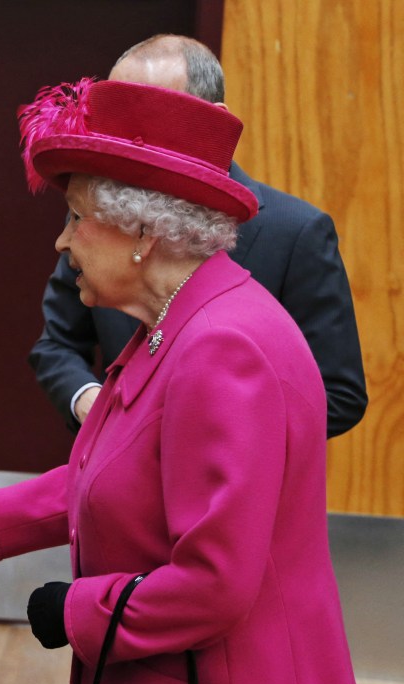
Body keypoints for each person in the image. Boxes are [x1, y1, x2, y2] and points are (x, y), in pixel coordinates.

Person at [0, 77, 356, 684]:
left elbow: (215, 585)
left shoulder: (223, 348)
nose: (62, 239)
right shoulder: (179, 321)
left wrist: (75, 611)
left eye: (77, 217)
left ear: (144, 235)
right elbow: (116, 477)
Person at [29, 34, 367, 437]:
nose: (130, 139)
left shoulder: (296, 231)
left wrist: (189, 432)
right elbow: (57, 343)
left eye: (153, 113)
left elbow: (338, 393)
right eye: (119, 116)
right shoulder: (102, 220)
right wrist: (93, 404)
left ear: (215, 118)